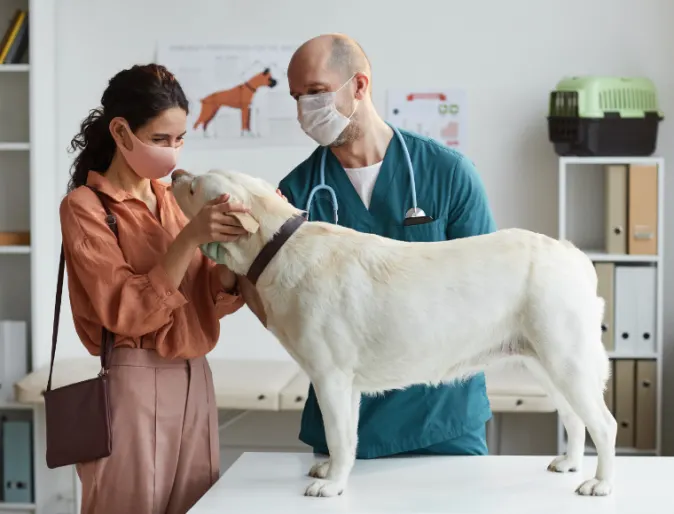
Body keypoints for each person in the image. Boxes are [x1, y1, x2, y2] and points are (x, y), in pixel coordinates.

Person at [278, 34, 498, 459]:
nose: (305, 109)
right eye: (297, 97)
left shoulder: (447, 174)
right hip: (346, 422)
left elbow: (487, 286)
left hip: (441, 414)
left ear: (359, 86)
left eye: (317, 92)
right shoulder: (296, 194)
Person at [59, 63, 249, 514]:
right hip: (134, 380)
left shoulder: (171, 198)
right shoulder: (85, 207)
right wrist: (189, 238)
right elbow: (126, 311)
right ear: (122, 133)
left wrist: (234, 249)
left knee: (196, 505)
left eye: (180, 139)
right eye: (161, 140)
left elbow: (208, 300)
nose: (173, 152)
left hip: (196, 376)